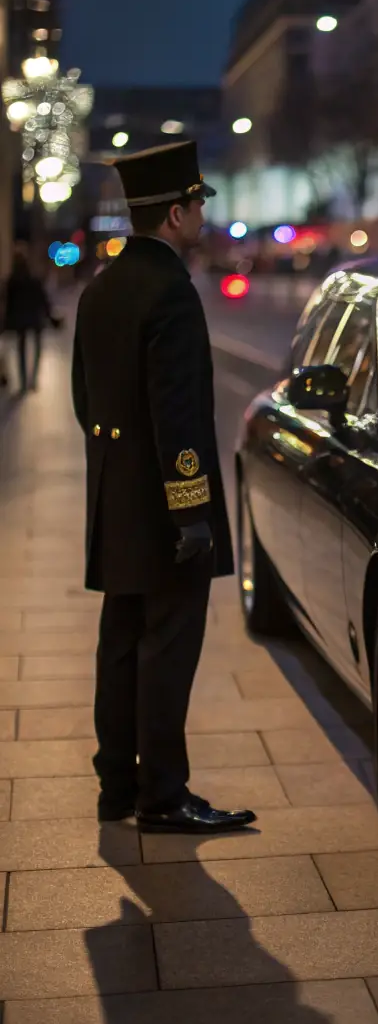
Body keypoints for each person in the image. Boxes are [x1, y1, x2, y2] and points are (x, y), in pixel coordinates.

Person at [72, 140, 255, 834]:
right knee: (167, 649)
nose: (202, 216)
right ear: (176, 213)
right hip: (165, 514)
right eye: (198, 205)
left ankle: (116, 785)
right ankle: (164, 793)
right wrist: (192, 515)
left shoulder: (102, 287)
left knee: (120, 641)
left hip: (114, 500)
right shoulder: (171, 292)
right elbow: (178, 419)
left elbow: (85, 399)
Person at [3, 247, 54, 393]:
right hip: (35, 319)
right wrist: (50, 316)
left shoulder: (12, 281)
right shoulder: (34, 279)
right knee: (37, 347)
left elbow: (8, 304)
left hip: (19, 320)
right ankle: (34, 379)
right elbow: (43, 300)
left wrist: (6, 322)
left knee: (21, 350)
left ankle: (24, 381)